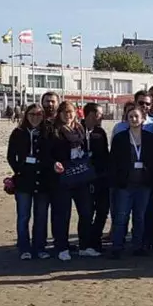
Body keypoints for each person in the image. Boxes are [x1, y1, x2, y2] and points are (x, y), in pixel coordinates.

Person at [48, 101, 98, 261]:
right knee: (63, 214)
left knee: (86, 212)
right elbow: (47, 152)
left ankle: (84, 246)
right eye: (64, 112)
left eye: (70, 111)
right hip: (62, 177)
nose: (68, 115)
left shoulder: (79, 128)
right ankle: (62, 247)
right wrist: (53, 163)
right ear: (59, 114)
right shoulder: (53, 130)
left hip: (80, 175)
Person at [109, 107, 153, 258]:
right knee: (121, 216)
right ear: (126, 119)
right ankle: (117, 246)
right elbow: (114, 162)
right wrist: (116, 181)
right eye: (131, 117)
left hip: (144, 184)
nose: (134, 119)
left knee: (140, 216)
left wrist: (152, 178)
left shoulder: (150, 138)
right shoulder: (120, 138)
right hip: (125, 185)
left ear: (143, 119)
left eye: (136, 116)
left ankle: (138, 246)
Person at [7, 104, 51, 260]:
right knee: (23, 216)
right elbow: (11, 156)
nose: (35, 117)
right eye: (32, 114)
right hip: (24, 181)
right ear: (26, 115)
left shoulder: (48, 132)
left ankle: (39, 247)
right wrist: (19, 169)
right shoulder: (18, 133)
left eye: (39, 114)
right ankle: (24, 247)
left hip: (43, 181)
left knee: (41, 216)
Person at [82, 103, 110, 253]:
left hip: (100, 178)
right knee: (86, 212)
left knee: (102, 210)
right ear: (91, 114)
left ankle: (95, 240)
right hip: (83, 178)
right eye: (100, 114)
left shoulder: (100, 132)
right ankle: (85, 243)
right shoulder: (78, 130)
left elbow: (105, 155)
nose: (102, 117)